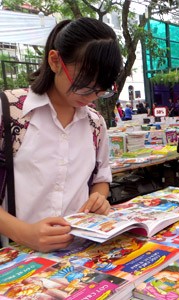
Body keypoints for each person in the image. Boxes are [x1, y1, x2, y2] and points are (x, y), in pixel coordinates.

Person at [0, 17, 122, 252]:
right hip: (18, 257)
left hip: (81, 252)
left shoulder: (94, 123)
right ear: (55, 61)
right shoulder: (10, 112)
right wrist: (25, 233)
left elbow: (101, 179)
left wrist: (99, 198)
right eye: (84, 85)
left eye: (100, 90)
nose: (90, 97)